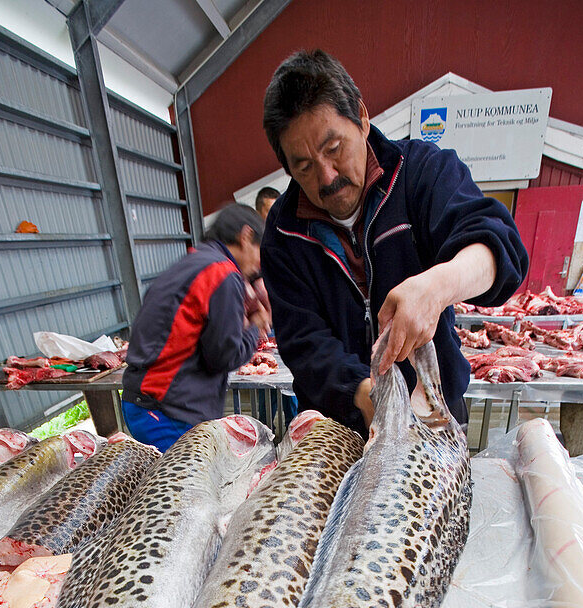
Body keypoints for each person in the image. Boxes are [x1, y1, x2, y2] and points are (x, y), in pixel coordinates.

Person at [260, 50, 529, 434]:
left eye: (334, 148)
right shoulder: (283, 232)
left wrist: (437, 286)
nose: (327, 176)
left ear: (362, 118)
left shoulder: (421, 171)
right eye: (304, 166)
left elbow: (500, 246)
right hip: (340, 428)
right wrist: (368, 396)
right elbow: (303, 342)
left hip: (433, 417)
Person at [122, 204, 269, 451]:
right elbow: (224, 356)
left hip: (145, 404)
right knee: (186, 488)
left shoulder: (196, 262)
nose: (259, 264)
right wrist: (255, 328)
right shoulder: (223, 274)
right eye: (260, 251)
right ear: (245, 237)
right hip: (166, 412)